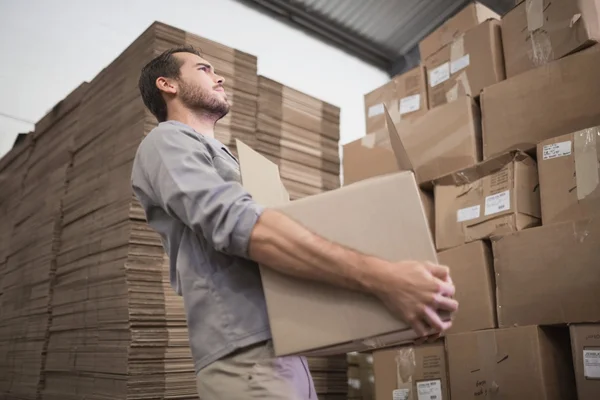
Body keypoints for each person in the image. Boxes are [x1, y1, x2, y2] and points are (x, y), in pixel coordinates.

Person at [131, 46, 458, 400]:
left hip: (283, 352)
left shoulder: (226, 160)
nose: (219, 76)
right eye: (204, 68)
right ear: (168, 84)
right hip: (247, 359)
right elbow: (237, 224)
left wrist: (389, 317)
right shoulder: (165, 141)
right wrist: (384, 280)